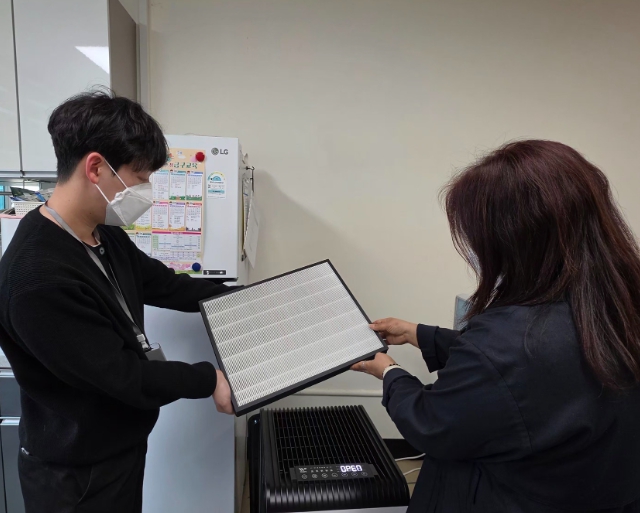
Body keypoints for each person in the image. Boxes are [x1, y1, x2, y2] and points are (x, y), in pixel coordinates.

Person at [353, 140, 640, 512]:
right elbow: (542, 369)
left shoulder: (510, 343)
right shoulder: (616, 302)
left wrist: (390, 372)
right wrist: (421, 334)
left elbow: (432, 423)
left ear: (516, 240)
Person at [0, 91, 236, 513]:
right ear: (95, 168)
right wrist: (208, 379)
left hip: (117, 447)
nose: (146, 190)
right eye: (139, 176)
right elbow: (123, 375)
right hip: (74, 475)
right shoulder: (37, 277)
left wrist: (253, 300)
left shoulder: (101, 233)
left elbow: (169, 286)